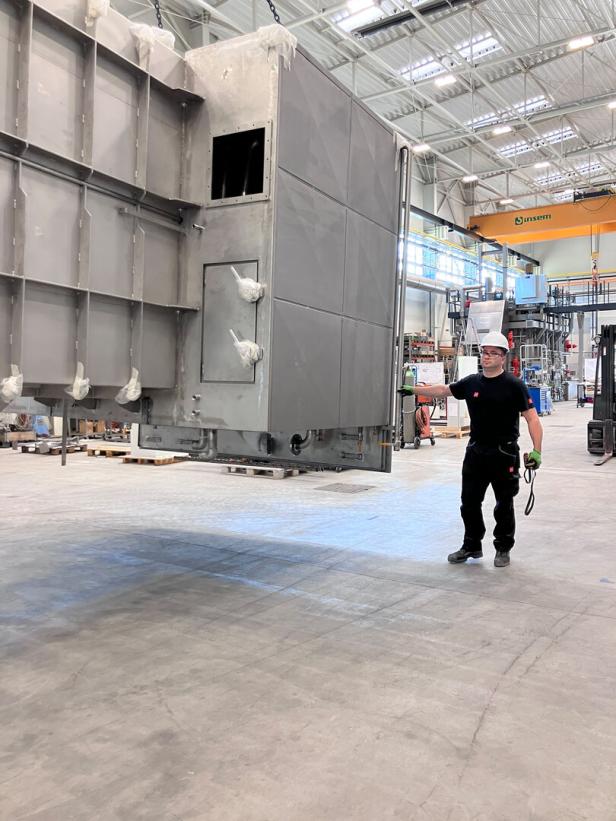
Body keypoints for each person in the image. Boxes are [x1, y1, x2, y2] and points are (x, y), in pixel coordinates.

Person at [400, 332, 543, 567]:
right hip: (476, 452)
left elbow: (532, 419)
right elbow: (444, 390)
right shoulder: (472, 382)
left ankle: (503, 548)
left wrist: (537, 451)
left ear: (503, 357)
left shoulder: (514, 385)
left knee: (503, 504)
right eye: (484, 352)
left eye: (492, 353)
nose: (486, 357)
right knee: (469, 502)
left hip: (504, 453)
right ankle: (471, 546)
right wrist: (414, 390)